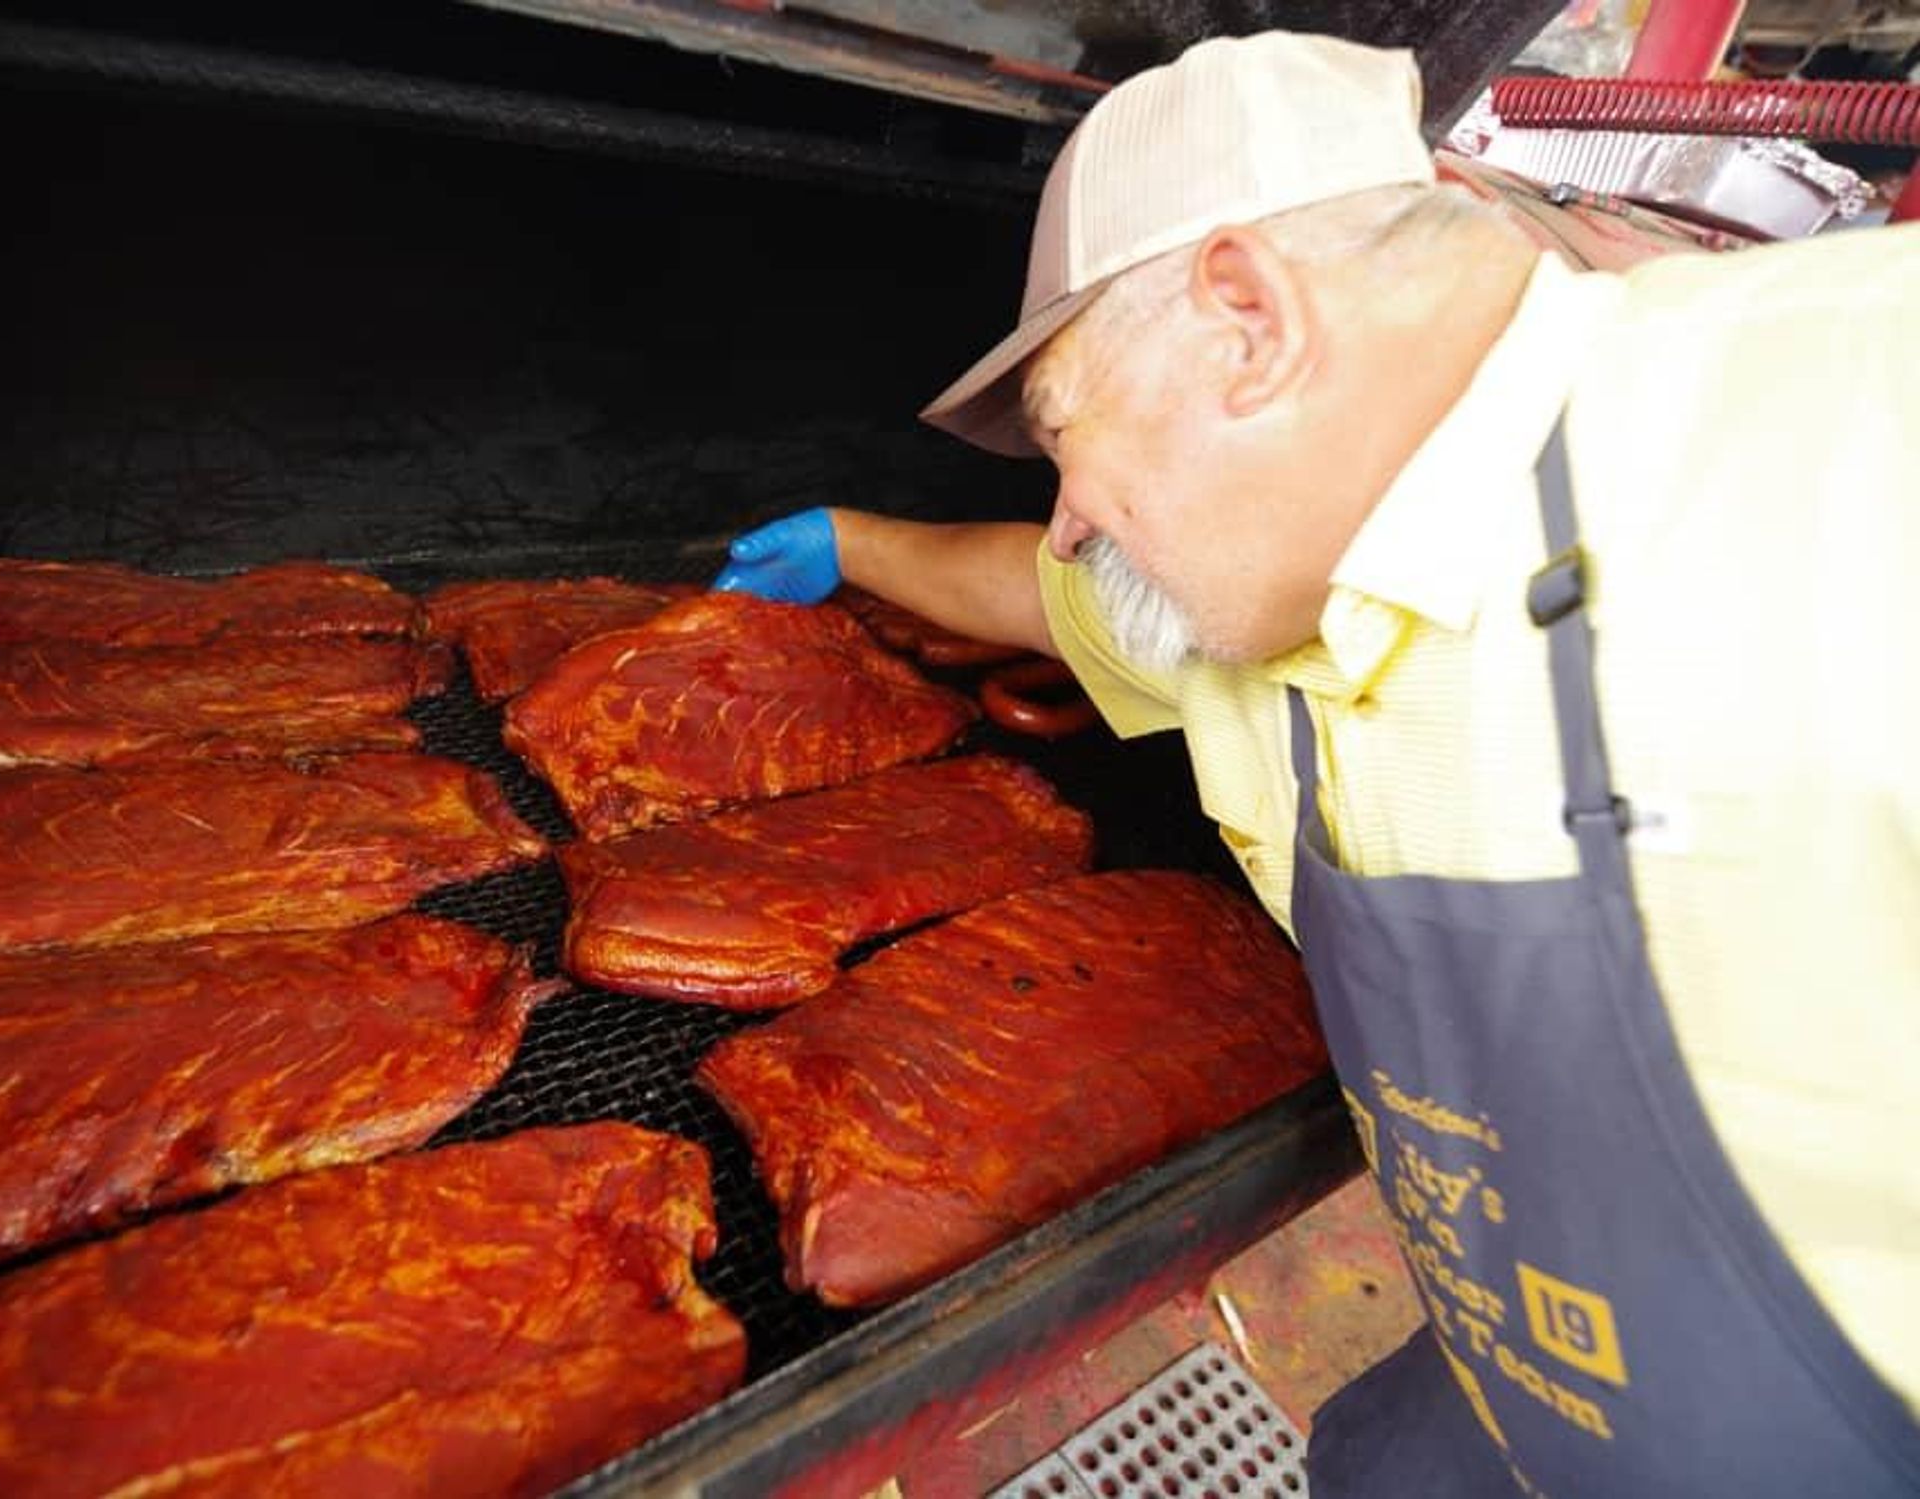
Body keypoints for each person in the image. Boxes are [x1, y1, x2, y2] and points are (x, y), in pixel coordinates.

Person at [713, 30, 1920, 1499]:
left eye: (1067, 440)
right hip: (1499, 1399)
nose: (1072, 517)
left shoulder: (1837, 426)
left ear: (1247, 319)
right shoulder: (1264, 568)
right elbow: (1048, 594)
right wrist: (854, 543)